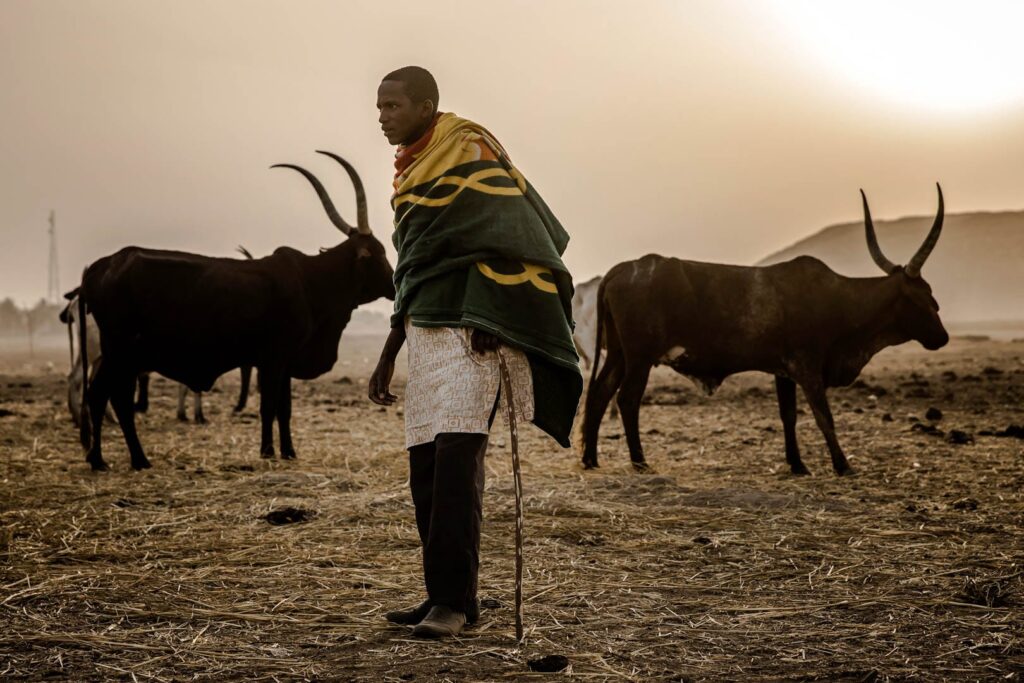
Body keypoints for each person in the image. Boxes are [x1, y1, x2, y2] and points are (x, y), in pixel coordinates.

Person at [369, 66, 582, 639]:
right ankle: (447, 594)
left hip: (473, 336)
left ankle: (453, 608)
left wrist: (495, 310)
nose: (382, 115)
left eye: (393, 105)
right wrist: (391, 347)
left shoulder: (467, 146)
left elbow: (511, 233)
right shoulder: (413, 171)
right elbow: (413, 266)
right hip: (427, 337)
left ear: (426, 105)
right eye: (379, 106)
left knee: (459, 464)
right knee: (427, 472)